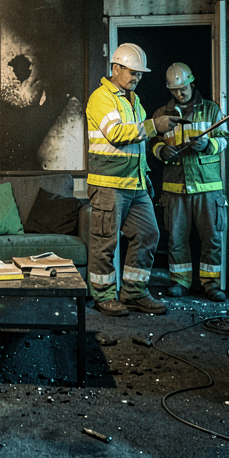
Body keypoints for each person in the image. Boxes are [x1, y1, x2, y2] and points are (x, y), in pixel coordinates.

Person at [85, 43, 177, 317]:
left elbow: (138, 146)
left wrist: (144, 176)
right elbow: (116, 134)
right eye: (132, 72)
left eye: (139, 73)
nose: (137, 77)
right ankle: (103, 296)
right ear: (116, 69)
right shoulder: (102, 98)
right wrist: (154, 126)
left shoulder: (133, 100)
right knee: (105, 242)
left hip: (134, 185)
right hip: (109, 185)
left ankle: (134, 293)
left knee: (148, 234)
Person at [150, 63, 229, 302]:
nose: (179, 93)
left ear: (192, 84)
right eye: (174, 90)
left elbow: (224, 139)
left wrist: (208, 145)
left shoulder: (211, 110)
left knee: (212, 238)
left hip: (208, 186)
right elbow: (152, 142)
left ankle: (211, 284)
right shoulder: (161, 114)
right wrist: (161, 151)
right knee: (176, 238)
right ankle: (180, 281)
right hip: (175, 187)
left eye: (183, 88)